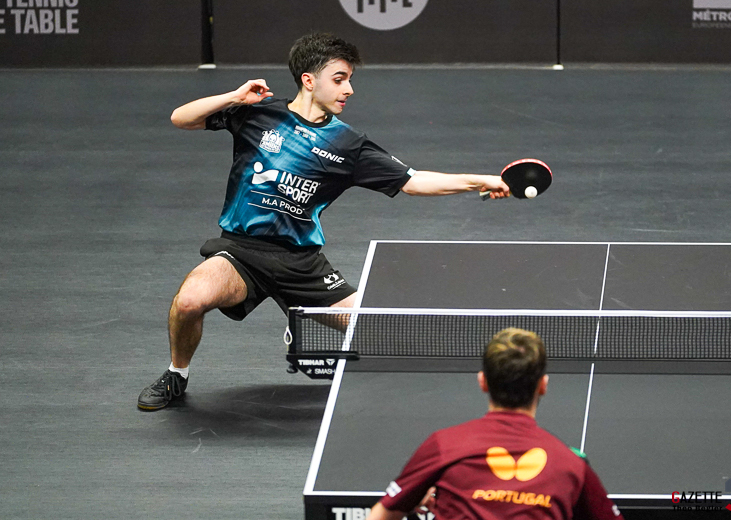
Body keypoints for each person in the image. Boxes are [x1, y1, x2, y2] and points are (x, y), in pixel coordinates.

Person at [137, 33, 509, 410]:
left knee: (377, 329)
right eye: (339, 78)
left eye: (349, 79)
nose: (348, 89)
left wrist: (481, 180)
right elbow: (180, 118)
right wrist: (234, 96)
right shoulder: (260, 114)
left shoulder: (348, 144)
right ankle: (176, 375)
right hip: (241, 251)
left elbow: (413, 181)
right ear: (309, 80)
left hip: (302, 264)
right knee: (189, 301)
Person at [369, 328, 621, 520]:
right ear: (543, 385)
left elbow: (380, 516)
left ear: (482, 382)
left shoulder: (444, 446)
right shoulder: (570, 464)